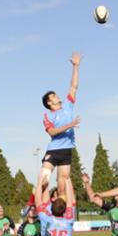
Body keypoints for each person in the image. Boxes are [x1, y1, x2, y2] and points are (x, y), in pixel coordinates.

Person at [41, 51, 82, 197]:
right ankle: (37, 203)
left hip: (66, 150)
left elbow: (73, 86)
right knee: (44, 177)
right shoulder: (47, 115)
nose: (57, 96)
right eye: (53, 96)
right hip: (53, 150)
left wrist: (76, 67)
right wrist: (69, 125)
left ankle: (61, 208)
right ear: (49, 102)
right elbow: (52, 132)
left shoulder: (68, 105)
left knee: (62, 182)